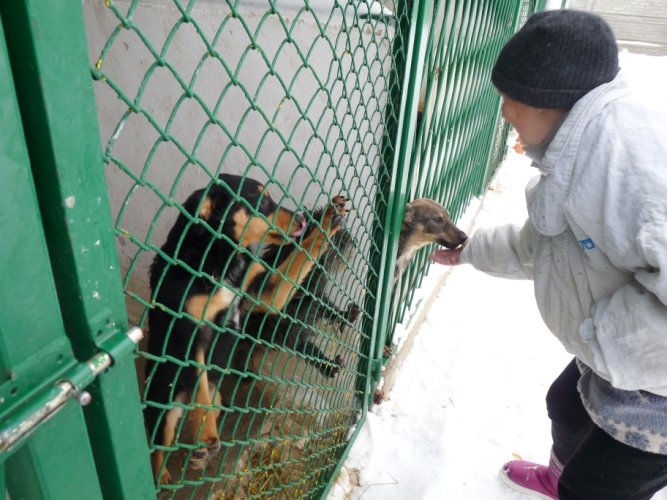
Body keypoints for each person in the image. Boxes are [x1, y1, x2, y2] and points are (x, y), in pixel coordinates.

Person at [431, 9, 667, 500]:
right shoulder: (577, 151)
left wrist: (598, 338)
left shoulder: (628, 174)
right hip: (618, 357)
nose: (503, 114)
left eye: (509, 100)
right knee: (565, 404)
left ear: (547, 103)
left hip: (657, 396)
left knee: (594, 488)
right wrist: (472, 251)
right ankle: (561, 479)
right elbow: (549, 244)